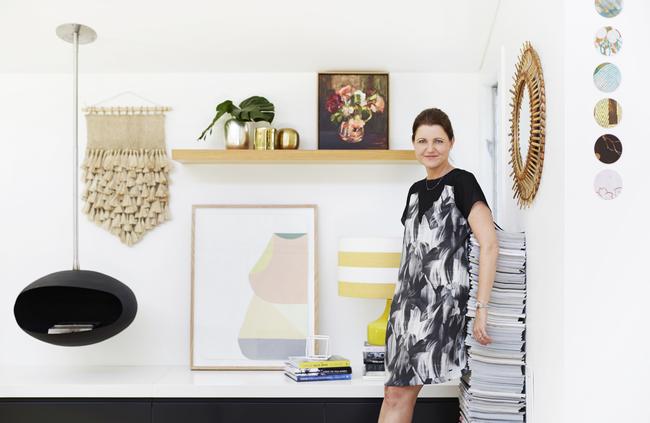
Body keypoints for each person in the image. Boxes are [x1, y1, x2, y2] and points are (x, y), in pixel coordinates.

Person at [378, 108, 498, 423]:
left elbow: (489, 244)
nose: (430, 148)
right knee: (393, 392)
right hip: (406, 307)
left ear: (451, 142)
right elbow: (411, 255)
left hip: (438, 305)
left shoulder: (462, 182)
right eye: (422, 141)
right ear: (413, 145)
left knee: (399, 392)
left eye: (438, 140)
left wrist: (481, 308)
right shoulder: (415, 191)